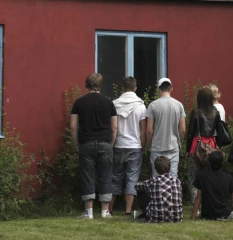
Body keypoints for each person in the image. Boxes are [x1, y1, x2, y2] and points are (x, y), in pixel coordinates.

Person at [70, 72, 117, 220]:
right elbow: (115, 127)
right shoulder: (109, 102)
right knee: (105, 176)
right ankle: (104, 211)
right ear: (100, 85)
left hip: (86, 142)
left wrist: (77, 144)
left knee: (87, 175)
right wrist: (111, 143)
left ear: (86, 85)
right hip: (105, 142)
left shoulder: (79, 102)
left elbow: (72, 126)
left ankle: (88, 212)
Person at [109, 76, 147, 216]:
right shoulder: (141, 106)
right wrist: (143, 146)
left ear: (122, 88)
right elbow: (143, 130)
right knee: (132, 178)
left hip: (118, 145)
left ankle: (110, 209)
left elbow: (112, 127)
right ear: (135, 89)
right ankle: (128, 211)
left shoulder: (114, 104)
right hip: (134, 145)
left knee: (115, 177)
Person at [191, 150, 233, 221]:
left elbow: (198, 197)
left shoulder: (202, 176)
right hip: (225, 212)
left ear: (209, 162)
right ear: (222, 163)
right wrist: (231, 208)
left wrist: (192, 217)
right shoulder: (228, 177)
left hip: (208, 215)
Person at [185, 86, 220, 203]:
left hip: (196, 146)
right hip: (211, 146)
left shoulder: (196, 112)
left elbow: (190, 133)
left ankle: (196, 204)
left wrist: (187, 150)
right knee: (210, 176)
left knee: (193, 177)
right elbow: (219, 130)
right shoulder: (215, 112)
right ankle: (209, 201)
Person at [146, 77, 186, 178]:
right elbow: (182, 129)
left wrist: (149, 145)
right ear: (171, 88)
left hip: (157, 147)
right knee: (173, 177)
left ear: (158, 89)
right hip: (173, 146)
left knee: (156, 178)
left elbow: (149, 130)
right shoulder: (179, 105)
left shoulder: (152, 105)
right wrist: (178, 141)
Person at [134, 155, 183, 223]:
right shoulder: (177, 181)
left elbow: (136, 186)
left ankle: (145, 213)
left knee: (141, 190)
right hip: (177, 218)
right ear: (169, 167)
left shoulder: (153, 181)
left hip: (156, 218)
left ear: (156, 169)